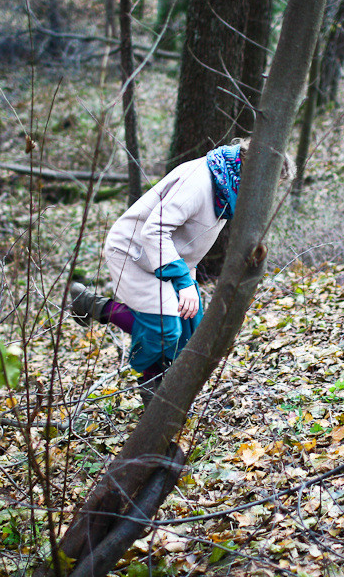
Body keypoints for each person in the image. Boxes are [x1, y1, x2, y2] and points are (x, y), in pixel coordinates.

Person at [68, 140, 291, 404]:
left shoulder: (227, 189)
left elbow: (189, 239)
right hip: (132, 251)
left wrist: (188, 277)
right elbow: (154, 231)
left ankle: (161, 391)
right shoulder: (201, 182)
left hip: (165, 259)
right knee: (163, 328)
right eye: (271, 185)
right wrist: (183, 282)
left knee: (189, 330)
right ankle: (147, 382)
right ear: (255, 172)